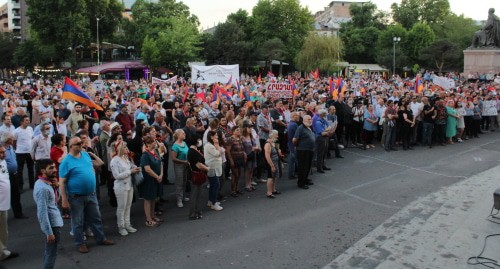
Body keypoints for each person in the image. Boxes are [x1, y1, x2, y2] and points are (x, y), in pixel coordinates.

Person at [59, 137, 115, 254]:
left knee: (96, 218)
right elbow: (62, 182)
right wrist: (64, 199)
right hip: (76, 197)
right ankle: (80, 243)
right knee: (78, 221)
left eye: (81, 143)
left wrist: (92, 154)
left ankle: (101, 239)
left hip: (91, 194)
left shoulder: (85, 155)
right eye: (78, 143)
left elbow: (100, 163)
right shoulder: (66, 161)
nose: (81, 145)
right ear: (71, 147)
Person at [33, 159, 63, 269]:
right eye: (51, 168)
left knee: (49, 250)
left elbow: (56, 200)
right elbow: (42, 212)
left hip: (54, 223)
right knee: (51, 252)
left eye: (54, 167)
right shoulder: (43, 189)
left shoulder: (44, 183)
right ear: (42, 171)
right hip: (52, 225)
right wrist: (48, 232)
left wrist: (56, 186)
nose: (55, 170)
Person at [110, 141, 139, 235]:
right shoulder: (114, 160)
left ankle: (128, 224)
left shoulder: (126, 158)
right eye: (125, 147)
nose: (127, 149)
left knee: (128, 206)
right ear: (120, 149)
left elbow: (130, 167)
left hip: (129, 185)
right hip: (121, 187)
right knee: (121, 207)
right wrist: (130, 171)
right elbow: (117, 176)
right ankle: (121, 226)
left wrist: (136, 168)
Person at [138, 135, 163, 227]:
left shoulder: (155, 151)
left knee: (154, 198)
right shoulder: (145, 155)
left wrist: (161, 175)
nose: (155, 143)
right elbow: (147, 169)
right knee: (148, 199)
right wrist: (157, 176)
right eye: (153, 142)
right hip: (149, 180)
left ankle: (153, 215)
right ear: (147, 144)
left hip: (156, 178)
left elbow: (160, 163)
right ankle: (148, 219)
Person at [0, 144, 19, 261]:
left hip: (4, 203)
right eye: (1, 153)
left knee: (3, 230)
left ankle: (3, 252)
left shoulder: (3, 161)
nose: (3, 155)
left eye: (3, 152)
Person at [187, 138, 209, 220]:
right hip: (195, 175)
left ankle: (197, 211)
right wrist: (207, 169)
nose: (200, 142)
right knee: (195, 195)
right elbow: (198, 165)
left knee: (197, 195)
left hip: (196, 175)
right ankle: (192, 214)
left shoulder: (195, 150)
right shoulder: (192, 152)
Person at [293, 115, 315, 189]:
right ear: (304, 120)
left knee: (308, 166)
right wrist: (298, 146)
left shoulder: (309, 127)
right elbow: (295, 139)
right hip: (303, 150)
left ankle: (305, 179)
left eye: (310, 119)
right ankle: (301, 183)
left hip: (309, 150)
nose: (310, 120)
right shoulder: (300, 128)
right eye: (308, 119)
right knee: (303, 167)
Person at [14, 115, 35, 190]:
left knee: (31, 169)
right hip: (20, 153)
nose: (28, 121)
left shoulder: (30, 129)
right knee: (20, 171)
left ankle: (32, 185)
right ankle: (20, 187)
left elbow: (32, 139)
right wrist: (15, 150)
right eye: (26, 120)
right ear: (21, 122)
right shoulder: (16, 131)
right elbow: (14, 141)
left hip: (29, 152)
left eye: (28, 120)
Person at [204, 130, 223, 211]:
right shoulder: (209, 146)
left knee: (213, 185)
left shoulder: (210, 145)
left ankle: (210, 201)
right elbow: (218, 153)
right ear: (211, 137)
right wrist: (217, 144)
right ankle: (213, 203)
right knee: (215, 185)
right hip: (212, 168)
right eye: (215, 135)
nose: (217, 137)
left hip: (214, 167)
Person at [170, 129, 190, 208]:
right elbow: (173, 159)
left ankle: (183, 196)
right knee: (179, 183)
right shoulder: (175, 146)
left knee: (184, 181)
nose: (184, 134)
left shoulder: (184, 143)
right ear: (178, 135)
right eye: (183, 133)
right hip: (179, 166)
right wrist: (183, 161)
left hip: (186, 164)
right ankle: (179, 200)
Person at [226, 126, 246, 197]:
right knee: (235, 175)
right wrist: (231, 160)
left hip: (240, 159)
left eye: (239, 130)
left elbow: (242, 148)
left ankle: (236, 189)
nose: (239, 131)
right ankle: (233, 191)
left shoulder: (239, 139)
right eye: (237, 130)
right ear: (233, 131)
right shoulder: (230, 139)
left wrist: (244, 154)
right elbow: (228, 151)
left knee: (239, 174)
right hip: (234, 159)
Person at [264, 130, 281, 198]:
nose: (277, 136)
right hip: (270, 163)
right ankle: (269, 192)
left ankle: (273, 189)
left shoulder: (275, 142)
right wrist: (272, 166)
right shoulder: (268, 144)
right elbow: (267, 156)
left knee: (274, 177)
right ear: (272, 135)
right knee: (270, 177)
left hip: (276, 162)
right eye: (276, 135)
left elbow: (278, 151)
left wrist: (279, 151)